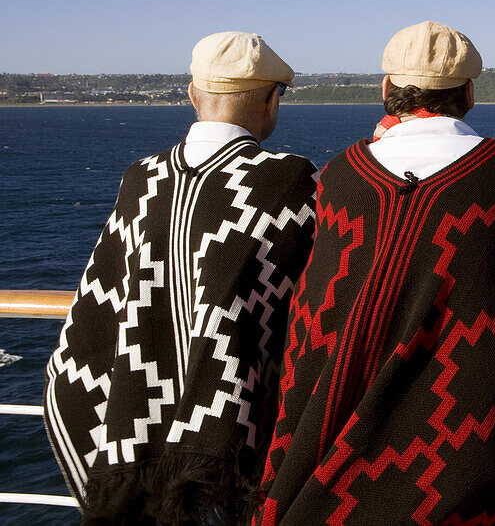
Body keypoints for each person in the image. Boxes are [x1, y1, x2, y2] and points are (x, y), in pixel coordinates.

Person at [255, 21, 495, 525]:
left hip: (323, 452)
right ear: (470, 94)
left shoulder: (346, 172)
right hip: (458, 459)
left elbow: (312, 312)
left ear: (387, 88)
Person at [44, 32, 318, 525]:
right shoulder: (291, 181)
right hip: (233, 457)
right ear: (271, 99)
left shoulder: (140, 180)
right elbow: (319, 305)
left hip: (135, 449)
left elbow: (92, 327)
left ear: (192, 95)